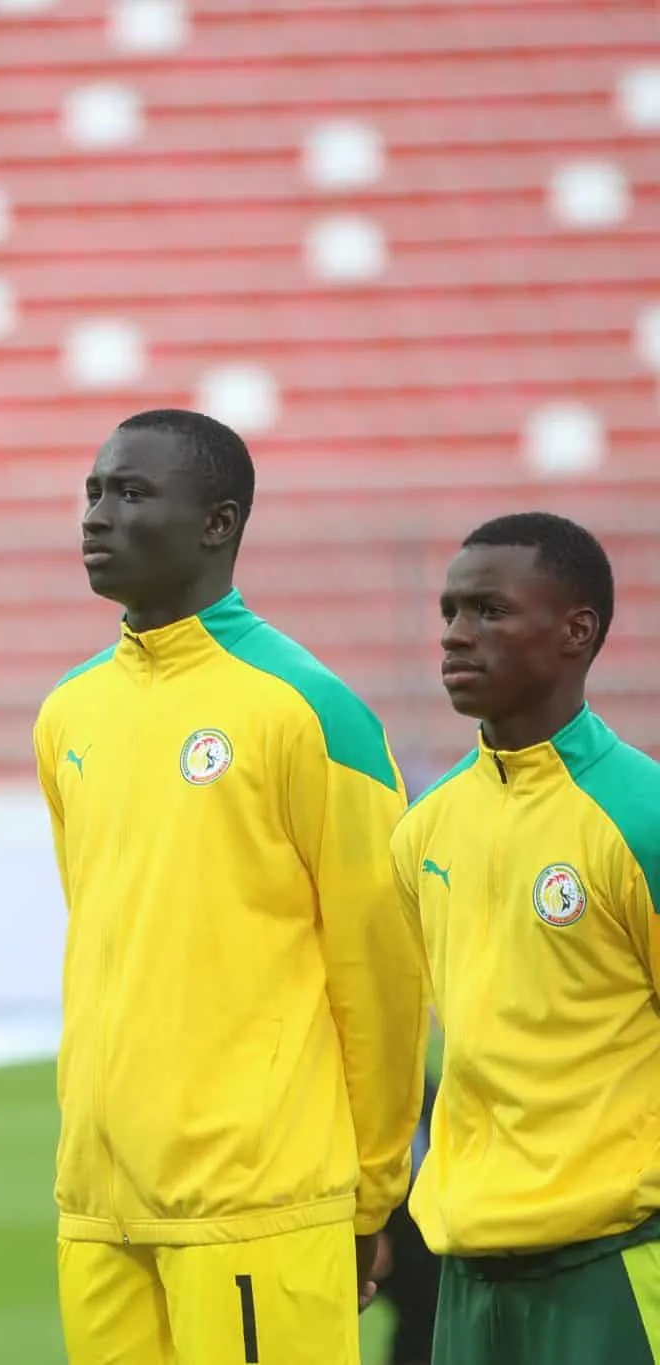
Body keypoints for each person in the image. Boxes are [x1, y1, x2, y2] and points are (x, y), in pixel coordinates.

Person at [36, 409, 426, 1364]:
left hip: (259, 1200)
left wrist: (374, 1190)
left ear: (218, 522)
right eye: (93, 491)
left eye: (131, 493)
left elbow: (380, 970)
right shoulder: (69, 711)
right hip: (99, 1202)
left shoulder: (308, 710)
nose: (97, 515)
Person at [391, 512, 660, 1363]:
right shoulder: (425, 830)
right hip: (467, 1277)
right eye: (449, 613)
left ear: (576, 631)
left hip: (613, 1267)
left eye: (489, 612)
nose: (455, 637)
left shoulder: (640, 816)